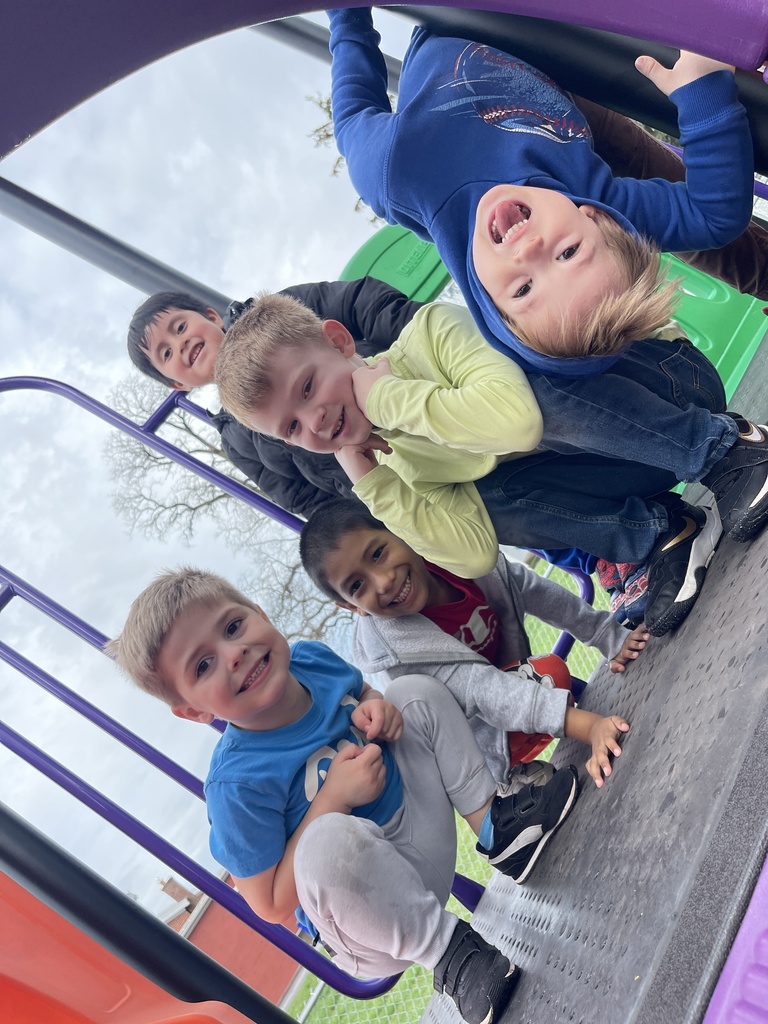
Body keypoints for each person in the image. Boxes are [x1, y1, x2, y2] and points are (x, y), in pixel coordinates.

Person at [107, 567, 587, 1024]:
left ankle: (496, 827)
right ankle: (454, 957)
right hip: (372, 917)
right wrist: (331, 798)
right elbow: (271, 905)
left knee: (410, 692)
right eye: (204, 665)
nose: (233, 654)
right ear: (192, 712)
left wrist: (379, 710)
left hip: (418, 832)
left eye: (233, 626)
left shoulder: (313, 660)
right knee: (325, 841)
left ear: (260, 612)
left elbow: (371, 693)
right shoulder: (237, 784)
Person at [215, 293, 768, 636]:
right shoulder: (395, 462)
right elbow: (473, 554)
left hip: (672, 390)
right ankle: (666, 534)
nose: (314, 422)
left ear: (338, 342)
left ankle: (730, 450)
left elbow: (519, 421)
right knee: (485, 504)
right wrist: (373, 483)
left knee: (525, 390)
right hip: (630, 462)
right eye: (290, 428)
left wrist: (384, 398)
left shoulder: (429, 334)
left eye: (308, 388)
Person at [327, 7, 756, 371]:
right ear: (596, 219)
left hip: (465, 26)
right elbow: (713, 215)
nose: (529, 251)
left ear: (487, 300)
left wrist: (346, 14)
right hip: (557, 95)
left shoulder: (397, 173)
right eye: (567, 253)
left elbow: (353, 114)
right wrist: (704, 95)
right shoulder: (593, 201)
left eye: (523, 289)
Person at [299, 499, 643, 788]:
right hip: (481, 738)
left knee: (548, 673)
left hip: (511, 681)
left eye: (377, 554)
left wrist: (607, 635)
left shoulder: (455, 553)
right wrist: (591, 727)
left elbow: (533, 591)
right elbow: (483, 691)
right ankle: (507, 783)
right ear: (350, 606)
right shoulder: (402, 651)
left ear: (396, 528)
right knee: (549, 673)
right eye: (357, 586)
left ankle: (530, 748)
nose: (385, 580)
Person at [125, 278, 424, 518]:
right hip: (397, 488)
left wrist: (417, 337)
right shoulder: (237, 442)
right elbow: (300, 497)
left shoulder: (277, 319)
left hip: (414, 394)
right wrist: (368, 517)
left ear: (211, 316)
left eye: (180, 327)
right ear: (178, 385)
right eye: (166, 353)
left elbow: (359, 301)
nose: (181, 343)